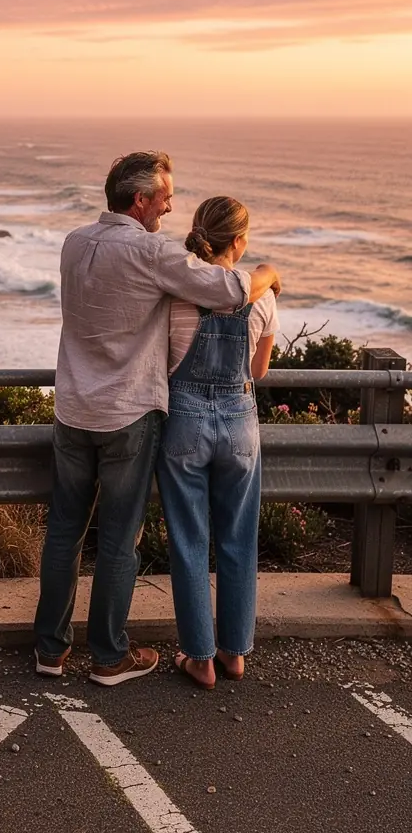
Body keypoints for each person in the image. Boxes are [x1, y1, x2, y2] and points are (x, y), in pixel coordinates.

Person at [33, 151, 282, 687]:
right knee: (120, 539)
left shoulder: (74, 242)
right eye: (164, 197)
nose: (170, 206)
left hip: (73, 408)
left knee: (64, 534)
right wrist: (267, 273)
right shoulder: (151, 252)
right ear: (141, 199)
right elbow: (231, 291)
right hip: (128, 414)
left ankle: (49, 652)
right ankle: (107, 656)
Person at [157, 196, 278, 690]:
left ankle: (199, 658)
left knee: (188, 542)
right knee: (237, 539)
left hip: (184, 417)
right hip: (239, 418)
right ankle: (234, 653)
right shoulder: (263, 297)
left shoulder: (175, 294)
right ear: (241, 242)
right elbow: (259, 370)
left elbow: (158, 360)